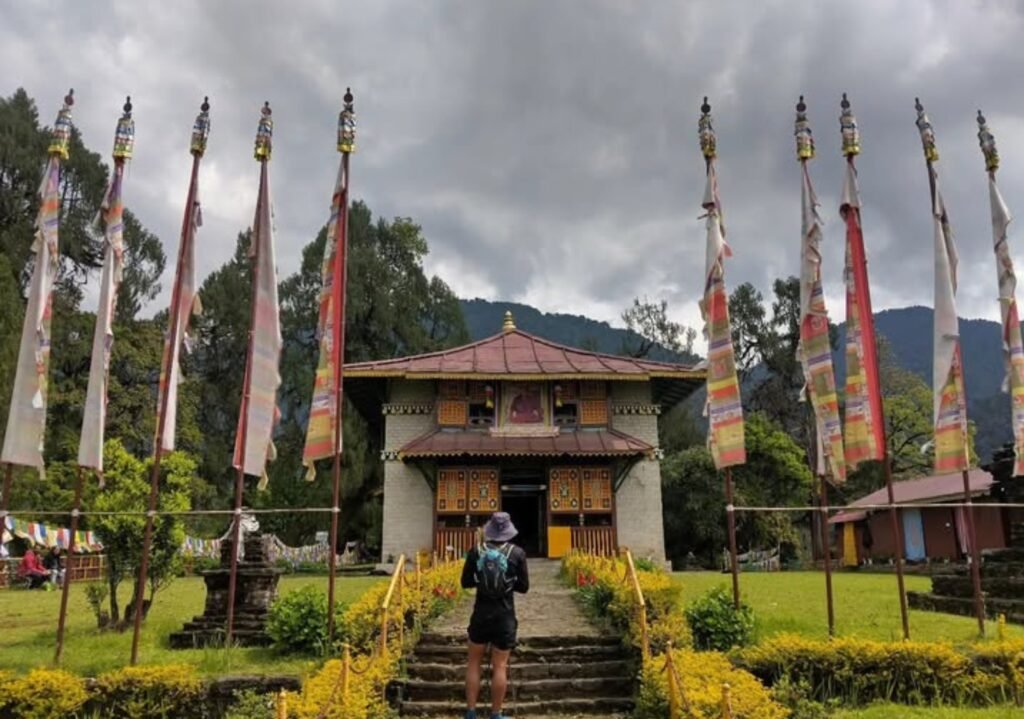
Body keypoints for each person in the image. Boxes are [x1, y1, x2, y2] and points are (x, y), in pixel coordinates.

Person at [460, 512, 529, 719]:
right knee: (500, 666)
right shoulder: (517, 553)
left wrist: (482, 581)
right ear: (508, 531)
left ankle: (471, 711)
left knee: (473, 662)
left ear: (489, 530)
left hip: (481, 613)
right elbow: (524, 587)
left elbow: (465, 582)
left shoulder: (475, 551)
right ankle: (496, 713)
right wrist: (508, 583)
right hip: (505, 615)